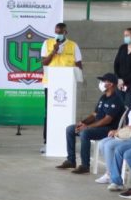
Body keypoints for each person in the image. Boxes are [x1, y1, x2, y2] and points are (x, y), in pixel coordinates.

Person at [56, 73, 124, 174]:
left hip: (108, 129)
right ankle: (71, 160)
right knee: (70, 129)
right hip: (96, 127)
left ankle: (85, 165)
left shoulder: (116, 99)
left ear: (111, 84)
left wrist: (87, 127)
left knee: (85, 133)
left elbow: (107, 120)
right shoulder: (103, 97)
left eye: (104, 81)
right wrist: (83, 122)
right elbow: (94, 114)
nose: (101, 83)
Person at [95, 84, 131, 184]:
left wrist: (118, 131)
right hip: (129, 133)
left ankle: (112, 176)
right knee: (103, 143)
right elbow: (129, 124)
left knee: (110, 145)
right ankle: (111, 172)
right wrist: (119, 131)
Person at [41, 23, 83, 151]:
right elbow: (44, 63)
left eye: (60, 32)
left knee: (66, 112)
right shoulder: (47, 43)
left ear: (66, 32)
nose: (58, 34)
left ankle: (66, 142)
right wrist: (53, 51)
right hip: (50, 84)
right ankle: (47, 141)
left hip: (68, 86)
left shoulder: (73, 45)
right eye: (56, 32)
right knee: (50, 113)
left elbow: (79, 65)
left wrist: (76, 73)